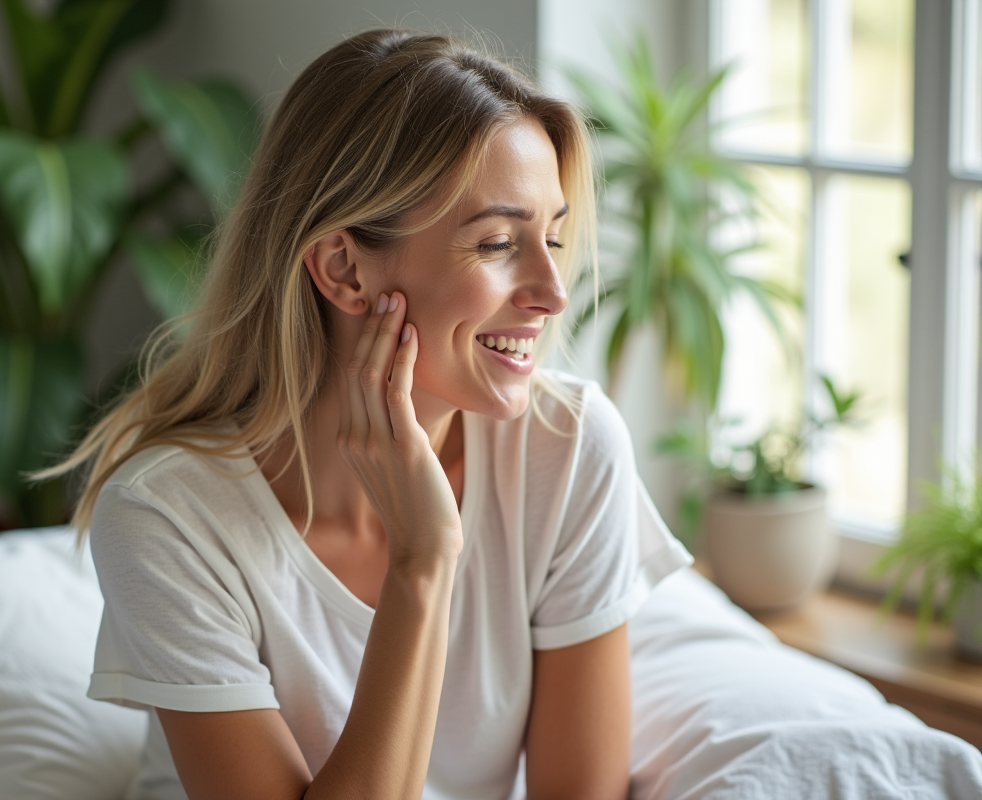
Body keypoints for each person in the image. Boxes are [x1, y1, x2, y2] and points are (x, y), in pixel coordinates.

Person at [47, 28, 692, 800]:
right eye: (496, 242)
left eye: (552, 238)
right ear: (344, 269)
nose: (553, 293)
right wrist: (423, 564)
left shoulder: (569, 447)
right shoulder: (167, 516)